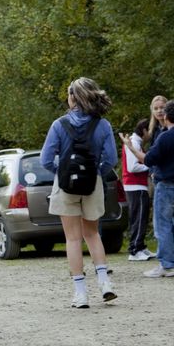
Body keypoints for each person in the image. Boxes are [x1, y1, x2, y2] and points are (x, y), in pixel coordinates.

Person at [40, 77, 118, 308]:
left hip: (66, 186)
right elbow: (111, 159)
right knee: (92, 234)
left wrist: (62, 171)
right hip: (92, 184)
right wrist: (96, 173)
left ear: (73, 97)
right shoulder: (102, 125)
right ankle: (105, 283)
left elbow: (45, 159)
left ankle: (81, 294)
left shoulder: (59, 124)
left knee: (72, 238)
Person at [124, 100, 174, 277]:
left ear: (166, 117)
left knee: (163, 224)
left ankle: (167, 265)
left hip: (167, 185)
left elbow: (148, 159)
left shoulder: (165, 136)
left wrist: (131, 148)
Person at [122, 119, 153, 261]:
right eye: (150, 132)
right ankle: (134, 249)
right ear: (145, 131)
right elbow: (132, 167)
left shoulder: (137, 143)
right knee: (139, 217)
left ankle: (140, 246)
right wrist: (150, 167)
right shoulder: (133, 143)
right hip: (135, 185)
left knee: (141, 216)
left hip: (138, 185)